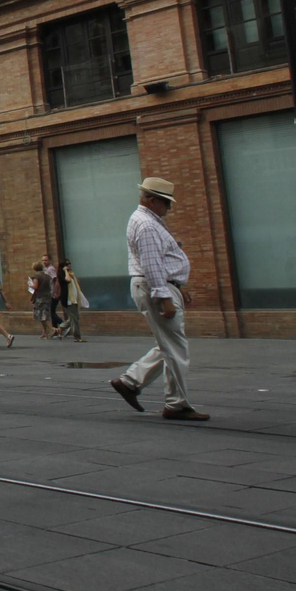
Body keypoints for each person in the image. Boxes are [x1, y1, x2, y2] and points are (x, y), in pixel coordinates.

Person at [111, 178, 208, 421]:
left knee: (169, 344)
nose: (169, 208)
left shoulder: (150, 222)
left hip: (161, 285)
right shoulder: (146, 225)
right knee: (176, 347)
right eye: (166, 202)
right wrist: (164, 295)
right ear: (151, 200)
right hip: (156, 286)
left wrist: (176, 285)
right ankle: (176, 404)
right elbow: (151, 264)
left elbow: (160, 260)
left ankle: (130, 382)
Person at [59, 259, 87, 342]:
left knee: (75, 318)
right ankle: (77, 337)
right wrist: (65, 271)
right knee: (74, 319)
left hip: (74, 299)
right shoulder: (62, 275)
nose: (69, 265)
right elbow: (67, 280)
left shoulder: (72, 274)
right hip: (68, 300)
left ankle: (60, 327)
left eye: (69, 264)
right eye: (67, 264)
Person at [29, 262, 55, 340]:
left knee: (40, 314)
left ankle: (51, 329)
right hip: (48, 296)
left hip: (40, 297)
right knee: (46, 313)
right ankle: (45, 332)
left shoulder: (37, 276)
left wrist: (30, 285)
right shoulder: (47, 276)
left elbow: (36, 286)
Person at [43, 253, 64, 332]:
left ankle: (63, 324)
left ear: (50, 261)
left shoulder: (50, 269)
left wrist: (56, 292)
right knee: (52, 311)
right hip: (50, 293)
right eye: (43, 260)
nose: (44, 262)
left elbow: (55, 280)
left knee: (51, 311)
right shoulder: (46, 269)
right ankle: (55, 329)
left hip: (52, 293)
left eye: (46, 260)